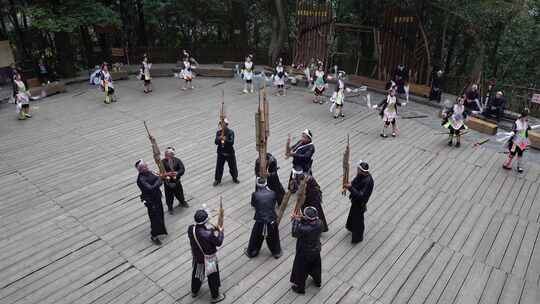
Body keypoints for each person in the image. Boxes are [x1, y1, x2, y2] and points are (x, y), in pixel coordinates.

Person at [188, 209, 226, 303]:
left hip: (198, 257)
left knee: (197, 274)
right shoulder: (209, 234)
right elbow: (218, 242)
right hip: (209, 258)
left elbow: (201, 232)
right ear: (205, 221)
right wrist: (220, 232)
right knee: (213, 277)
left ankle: (194, 291)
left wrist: (212, 229)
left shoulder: (191, 228)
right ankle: (215, 296)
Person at [245, 177, 282, 258]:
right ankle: (276, 252)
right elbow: (274, 203)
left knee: (256, 236)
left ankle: (252, 251)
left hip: (260, 219)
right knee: (274, 236)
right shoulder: (273, 193)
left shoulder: (255, 195)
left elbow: (253, 204)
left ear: (257, 185)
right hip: (271, 218)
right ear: (266, 184)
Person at [290, 206, 322, 294]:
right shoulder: (319, 223)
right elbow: (310, 222)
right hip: (316, 249)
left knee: (301, 270)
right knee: (316, 267)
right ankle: (318, 281)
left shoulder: (303, 229)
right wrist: (302, 218)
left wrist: (295, 220)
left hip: (304, 252)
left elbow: (294, 233)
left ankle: (300, 289)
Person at [135, 159, 168, 245]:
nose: (147, 166)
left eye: (146, 165)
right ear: (141, 169)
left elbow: (157, 178)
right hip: (150, 201)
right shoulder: (141, 179)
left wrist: (160, 178)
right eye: (145, 166)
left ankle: (161, 230)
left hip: (157, 197)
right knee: (154, 218)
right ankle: (154, 236)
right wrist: (160, 179)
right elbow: (150, 188)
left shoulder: (149, 172)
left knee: (160, 214)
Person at [344, 161, 374, 244]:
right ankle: (351, 227)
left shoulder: (368, 181)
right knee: (353, 215)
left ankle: (358, 237)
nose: (357, 170)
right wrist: (351, 184)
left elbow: (361, 196)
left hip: (360, 203)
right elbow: (355, 181)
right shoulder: (360, 175)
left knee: (358, 220)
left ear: (361, 171)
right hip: (355, 201)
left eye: (358, 169)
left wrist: (350, 188)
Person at [503, 109, 531, 173]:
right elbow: (513, 129)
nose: (527, 118)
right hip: (515, 141)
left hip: (523, 140)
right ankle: (507, 163)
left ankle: (519, 166)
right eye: (526, 116)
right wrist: (513, 132)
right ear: (523, 116)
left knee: (520, 153)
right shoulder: (516, 122)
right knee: (512, 153)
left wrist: (528, 128)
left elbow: (527, 129)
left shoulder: (526, 122)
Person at [161, 147, 188, 214]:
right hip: (168, 183)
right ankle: (170, 208)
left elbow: (182, 169)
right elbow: (161, 173)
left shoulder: (177, 160)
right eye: (165, 154)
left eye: (168, 154)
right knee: (169, 197)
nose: (166, 156)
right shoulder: (162, 162)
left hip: (177, 181)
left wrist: (177, 173)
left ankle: (182, 202)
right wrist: (168, 174)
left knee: (180, 193)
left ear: (172, 155)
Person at [213, 118, 240, 186]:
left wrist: (225, 139)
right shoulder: (219, 133)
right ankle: (217, 179)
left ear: (226, 125)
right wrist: (220, 138)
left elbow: (231, 142)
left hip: (229, 153)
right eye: (221, 124)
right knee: (219, 167)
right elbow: (216, 142)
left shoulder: (231, 132)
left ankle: (235, 177)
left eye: (223, 124)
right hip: (221, 153)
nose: (222, 125)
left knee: (232, 166)